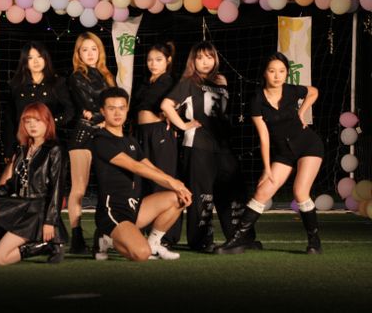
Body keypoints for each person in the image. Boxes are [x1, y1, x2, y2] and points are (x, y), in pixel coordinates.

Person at [215, 52, 324, 254]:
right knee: (262, 191)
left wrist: (302, 112)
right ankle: (237, 240)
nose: (277, 75)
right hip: (283, 152)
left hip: (308, 145)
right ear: (264, 73)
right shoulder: (256, 100)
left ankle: (314, 242)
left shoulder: (292, 91)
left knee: (300, 192)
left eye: (282, 71)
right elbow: (264, 137)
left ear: (286, 73)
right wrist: (266, 168)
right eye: (272, 71)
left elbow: (314, 92)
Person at [161, 41, 258, 253]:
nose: (205, 62)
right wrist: (183, 125)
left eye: (209, 57)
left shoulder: (221, 81)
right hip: (198, 145)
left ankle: (240, 237)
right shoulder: (188, 82)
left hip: (222, 146)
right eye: (200, 58)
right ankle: (201, 241)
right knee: (202, 194)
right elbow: (166, 105)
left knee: (233, 191)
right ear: (193, 61)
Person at [90, 87, 191, 262]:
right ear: (102, 111)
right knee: (141, 254)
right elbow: (136, 167)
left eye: (121, 108)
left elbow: (151, 168)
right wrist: (171, 182)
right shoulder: (101, 140)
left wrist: (178, 186)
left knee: (179, 198)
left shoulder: (130, 141)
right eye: (111, 108)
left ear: (127, 109)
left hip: (135, 208)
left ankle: (154, 243)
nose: (117, 113)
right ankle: (106, 238)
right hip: (113, 211)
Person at [0, 102, 67, 265]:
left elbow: (57, 188)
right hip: (21, 205)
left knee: (0, 259)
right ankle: (4, 246)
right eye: (28, 121)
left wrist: (50, 222)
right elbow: (12, 185)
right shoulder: (23, 149)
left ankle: (45, 246)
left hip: (37, 210)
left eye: (37, 120)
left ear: (47, 122)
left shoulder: (55, 150)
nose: (32, 125)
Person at [66, 31, 116, 254]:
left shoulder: (107, 75)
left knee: (108, 188)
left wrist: (103, 116)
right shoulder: (77, 76)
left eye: (93, 49)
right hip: (83, 136)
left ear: (100, 51)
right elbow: (88, 109)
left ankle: (105, 233)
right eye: (84, 49)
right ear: (78, 53)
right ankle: (76, 238)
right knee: (79, 188)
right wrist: (102, 116)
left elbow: (113, 107)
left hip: (105, 135)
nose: (90, 53)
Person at [132, 42, 181, 247]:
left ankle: (165, 237)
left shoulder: (171, 81)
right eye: (150, 60)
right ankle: (141, 232)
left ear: (168, 61)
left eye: (158, 60)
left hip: (159, 133)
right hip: (140, 134)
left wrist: (176, 118)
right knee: (141, 181)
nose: (153, 64)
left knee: (162, 180)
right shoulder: (144, 81)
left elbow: (178, 103)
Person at [2, 41, 74, 166]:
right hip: (22, 144)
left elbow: (69, 110)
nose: (36, 61)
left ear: (45, 58)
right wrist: (9, 149)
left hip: (49, 144)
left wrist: (50, 123)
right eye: (30, 58)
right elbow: (9, 119)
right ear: (25, 62)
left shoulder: (57, 83)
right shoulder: (16, 85)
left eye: (39, 56)